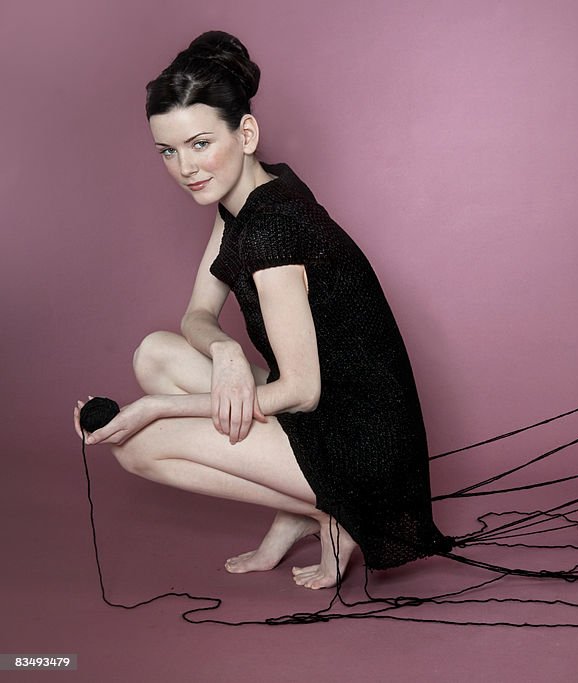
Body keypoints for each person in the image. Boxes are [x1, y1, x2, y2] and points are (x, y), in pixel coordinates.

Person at [72, 30, 452, 590]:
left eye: (201, 144)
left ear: (245, 132)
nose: (185, 168)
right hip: (332, 418)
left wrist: (157, 408)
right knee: (156, 351)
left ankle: (337, 513)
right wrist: (224, 350)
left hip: (362, 450)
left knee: (139, 449)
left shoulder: (271, 230)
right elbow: (196, 314)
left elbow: (301, 392)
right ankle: (305, 510)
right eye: (168, 152)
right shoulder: (248, 199)